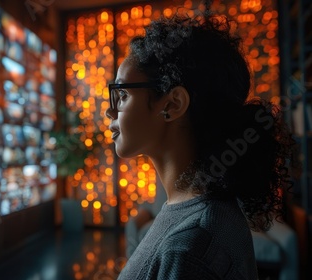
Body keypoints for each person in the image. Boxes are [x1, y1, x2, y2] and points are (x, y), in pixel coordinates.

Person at [106, 13, 294, 280]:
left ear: (172, 105)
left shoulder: (190, 248)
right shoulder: (194, 210)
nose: (109, 110)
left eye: (122, 95)